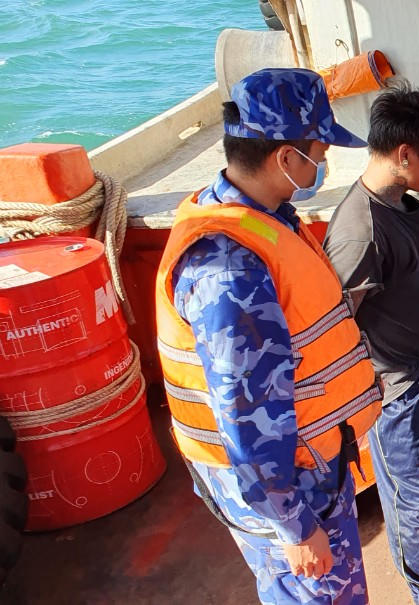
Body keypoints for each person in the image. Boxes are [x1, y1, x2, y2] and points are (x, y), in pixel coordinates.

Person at [154, 68, 381, 604]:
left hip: (310, 467)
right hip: (287, 489)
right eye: (319, 153)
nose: (323, 164)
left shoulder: (261, 217)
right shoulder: (230, 271)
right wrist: (294, 526)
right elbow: (244, 409)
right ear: (285, 158)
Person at [323, 85, 419, 602]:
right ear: (405, 154)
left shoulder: (401, 202)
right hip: (398, 392)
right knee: (412, 501)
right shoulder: (360, 233)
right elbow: (335, 330)